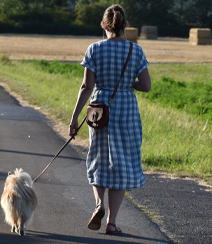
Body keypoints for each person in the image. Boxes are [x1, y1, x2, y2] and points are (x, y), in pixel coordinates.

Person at [68, 4, 151, 235]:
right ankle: (112, 223)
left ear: (104, 26)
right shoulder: (136, 51)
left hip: (99, 111)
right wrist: (127, 84)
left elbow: (87, 86)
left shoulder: (94, 49)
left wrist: (74, 118)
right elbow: (146, 86)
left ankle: (99, 204)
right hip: (126, 112)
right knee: (121, 163)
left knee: (98, 158)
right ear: (125, 26)